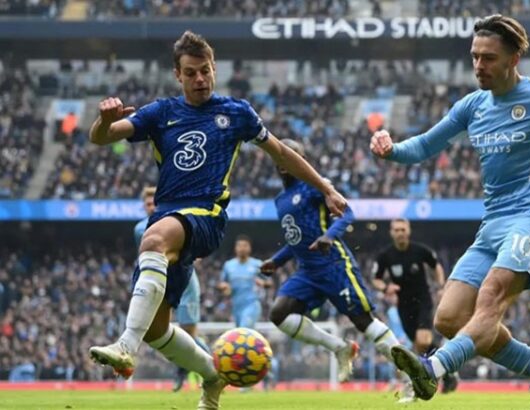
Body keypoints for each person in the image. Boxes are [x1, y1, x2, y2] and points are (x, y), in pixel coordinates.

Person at [370, 14, 530, 410]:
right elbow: (423, 146)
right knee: (448, 318)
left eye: (489, 58)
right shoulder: (472, 106)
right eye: (475, 57)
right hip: (492, 225)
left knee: (490, 297)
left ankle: (433, 368)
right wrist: (391, 150)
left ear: (514, 58)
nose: (479, 66)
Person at [87, 31, 346, 410]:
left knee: (153, 239)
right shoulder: (161, 113)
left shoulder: (236, 113)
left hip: (206, 215)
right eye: (191, 73)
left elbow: (281, 152)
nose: (200, 79)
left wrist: (325, 188)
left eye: (206, 71)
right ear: (178, 75)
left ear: (214, 69)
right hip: (169, 215)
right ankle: (212, 375)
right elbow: (103, 137)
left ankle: (126, 345)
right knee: (157, 330)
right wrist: (103, 120)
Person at [260, 139, 413, 401]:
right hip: (307, 272)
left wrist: (329, 236)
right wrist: (277, 261)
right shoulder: (280, 200)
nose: (286, 160)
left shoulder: (315, 185)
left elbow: (348, 213)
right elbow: (296, 239)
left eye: (294, 155)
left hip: (333, 264)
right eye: (282, 156)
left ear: (302, 160)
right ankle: (339, 347)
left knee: (363, 322)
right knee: (279, 314)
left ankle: (410, 377)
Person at [135, 186, 209, 392]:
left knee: (189, 336)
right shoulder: (140, 229)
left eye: (154, 202)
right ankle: (197, 368)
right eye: (147, 203)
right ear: (144, 206)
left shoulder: (177, 223)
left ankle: (210, 369)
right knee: (162, 334)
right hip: (162, 284)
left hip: (186, 285)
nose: (151, 206)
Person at [372, 218, 459, 394]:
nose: (400, 233)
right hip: (403, 306)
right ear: (391, 233)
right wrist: (386, 288)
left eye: (403, 229)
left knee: (422, 341)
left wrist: (441, 286)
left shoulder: (420, 251)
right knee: (421, 345)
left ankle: (426, 379)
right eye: (397, 230)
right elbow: (376, 279)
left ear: (408, 231)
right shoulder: (386, 256)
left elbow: (436, 266)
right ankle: (449, 372)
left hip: (423, 301)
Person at [217, 235, 271, 328]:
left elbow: (270, 282)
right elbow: (222, 283)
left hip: (252, 304)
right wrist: (224, 287)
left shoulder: (257, 264)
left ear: (250, 248)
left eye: (245, 245)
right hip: (236, 306)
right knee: (241, 333)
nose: (242, 248)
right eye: (239, 245)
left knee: (244, 328)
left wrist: (263, 283)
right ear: (235, 248)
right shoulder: (228, 265)